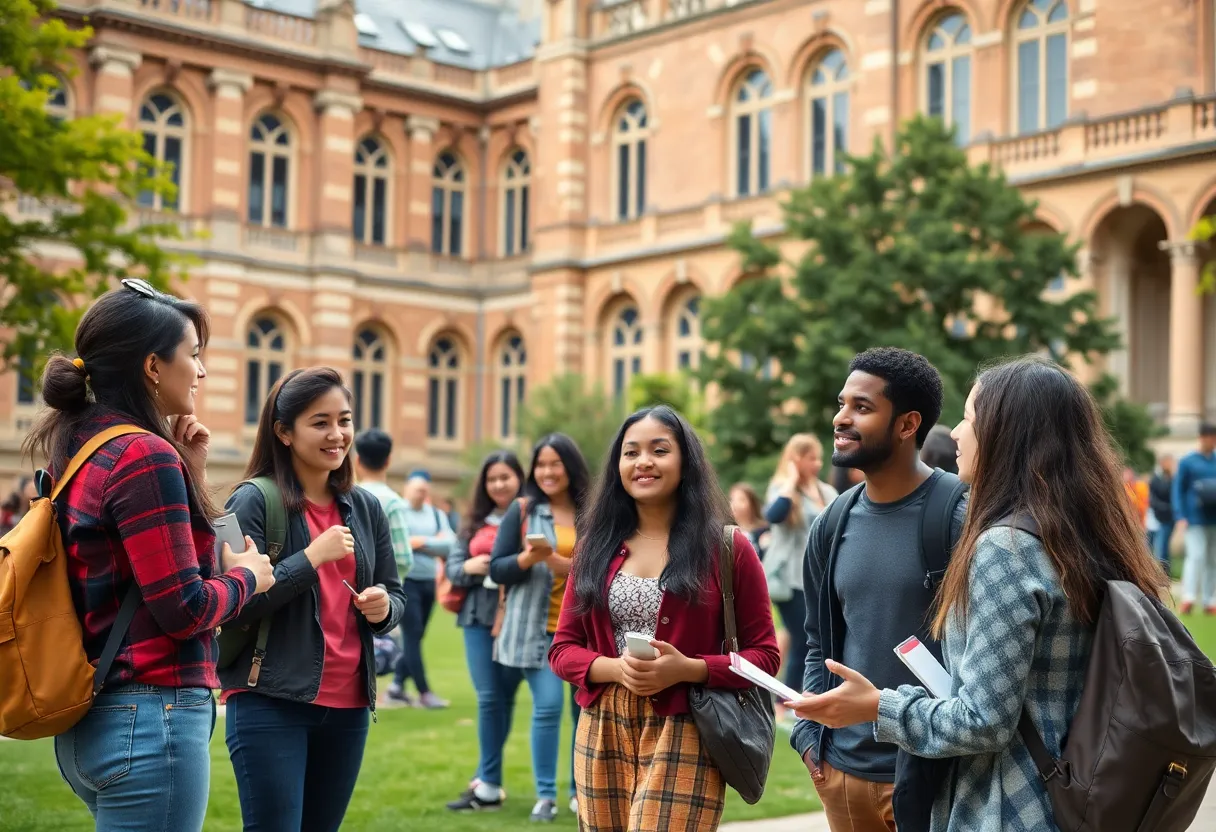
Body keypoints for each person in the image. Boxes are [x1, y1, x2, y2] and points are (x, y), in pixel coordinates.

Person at [786, 356, 1167, 831]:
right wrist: (811, 734)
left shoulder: (1004, 547)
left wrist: (878, 706)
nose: (958, 435)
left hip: (1010, 806)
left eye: (969, 419)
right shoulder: (1075, 532)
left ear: (1008, 434)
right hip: (1076, 794)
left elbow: (983, 721)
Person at [26, 281, 274, 831]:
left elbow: (187, 553)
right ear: (153, 367)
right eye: (194, 355)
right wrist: (249, 581)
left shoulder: (84, 442)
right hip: (151, 717)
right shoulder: (144, 456)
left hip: (94, 719)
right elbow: (184, 609)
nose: (202, 372)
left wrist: (194, 469)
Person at [549, 405, 780, 831]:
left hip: (688, 724)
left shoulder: (728, 548)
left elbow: (765, 657)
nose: (644, 462)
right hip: (602, 727)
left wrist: (687, 669)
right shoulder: (593, 548)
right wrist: (615, 668)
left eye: (659, 450)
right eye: (631, 452)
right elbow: (562, 650)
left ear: (685, 461)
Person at [221, 367, 407, 832]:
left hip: (348, 706)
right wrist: (310, 559)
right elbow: (237, 601)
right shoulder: (254, 501)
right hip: (271, 700)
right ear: (284, 432)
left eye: (344, 421)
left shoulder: (365, 507)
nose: (337, 434)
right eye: (320, 422)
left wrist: (384, 606)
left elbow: (395, 591)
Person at [788, 347, 966, 832]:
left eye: (861, 408)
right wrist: (809, 737)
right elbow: (817, 639)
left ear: (908, 425)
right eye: (842, 404)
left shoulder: (960, 517)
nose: (841, 419)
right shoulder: (831, 522)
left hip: (936, 777)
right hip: (843, 774)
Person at [489, 433, 590, 822]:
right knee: (547, 708)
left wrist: (571, 569)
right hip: (537, 632)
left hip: (584, 632)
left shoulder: (593, 511)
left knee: (585, 714)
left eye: (555, 464)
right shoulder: (524, 510)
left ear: (570, 466)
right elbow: (498, 567)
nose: (547, 472)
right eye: (541, 464)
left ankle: (581, 791)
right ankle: (546, 795)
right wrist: (529, 559)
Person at [444, 450, 526, 812]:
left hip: (517, 620)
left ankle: (485, 779)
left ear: (520, 479)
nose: (498, 485)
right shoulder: (474, 523)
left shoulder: (530, 519)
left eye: (505, 477)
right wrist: (477, 566)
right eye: (492, 479)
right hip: (478, 619)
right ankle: (488, 783)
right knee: (489, 697)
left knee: (504, 699)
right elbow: (454, 570)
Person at [763, 434, 837, 720]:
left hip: (820, 578)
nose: (817, 464)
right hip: (789, 579)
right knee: (802, 637)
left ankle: (797, 697)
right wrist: (792, 479)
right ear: (796, 459)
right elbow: (774, 515)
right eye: (810, 458)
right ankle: (787, 700)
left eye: (819, 458)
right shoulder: (783, 489)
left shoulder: (826, 491)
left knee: (812, 638)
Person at [388, 471, 455, 708]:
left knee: (416, 636)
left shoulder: (436, 515)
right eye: (417, 489)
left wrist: (420, 542)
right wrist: (431, 542)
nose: (421, 494)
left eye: (425, 490)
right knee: (413, 636)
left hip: (429, 582)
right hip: (406, 583)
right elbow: (398, 543)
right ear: (406, 490)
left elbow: (450, 545)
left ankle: (396, 684)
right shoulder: (398, 513)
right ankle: (425, 692)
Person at [353, 428, 414, 585]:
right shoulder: (393, 502)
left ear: (357, 460)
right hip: (382, 593)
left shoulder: (347, 497)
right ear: (388, 461)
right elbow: (403, 558)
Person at [1173, 423, 1216, 615]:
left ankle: (1210, 600)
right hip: (1194, 518)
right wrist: (1180, 515)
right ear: (1202, 438)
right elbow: (1178, 490)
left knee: (1213, 561)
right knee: (1196, 557)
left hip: (1214, 519)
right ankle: (1189, 598)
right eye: (1210, 437)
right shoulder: (1187, 461)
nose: (1212, 441)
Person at [1148, 454, 1176, 573]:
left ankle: (1164, 574)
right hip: (1157, 516)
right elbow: (1153, 498)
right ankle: (1157, 574)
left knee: (1162, 548)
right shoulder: (1156, 479)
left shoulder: (1173, 479)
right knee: (1153, 547)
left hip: (1168, 518)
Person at [728, 482, 770, 561]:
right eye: (732, 499)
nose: (735, 504)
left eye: (741, 499)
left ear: (752, 503)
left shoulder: (764, 531)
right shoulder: (727, 533)